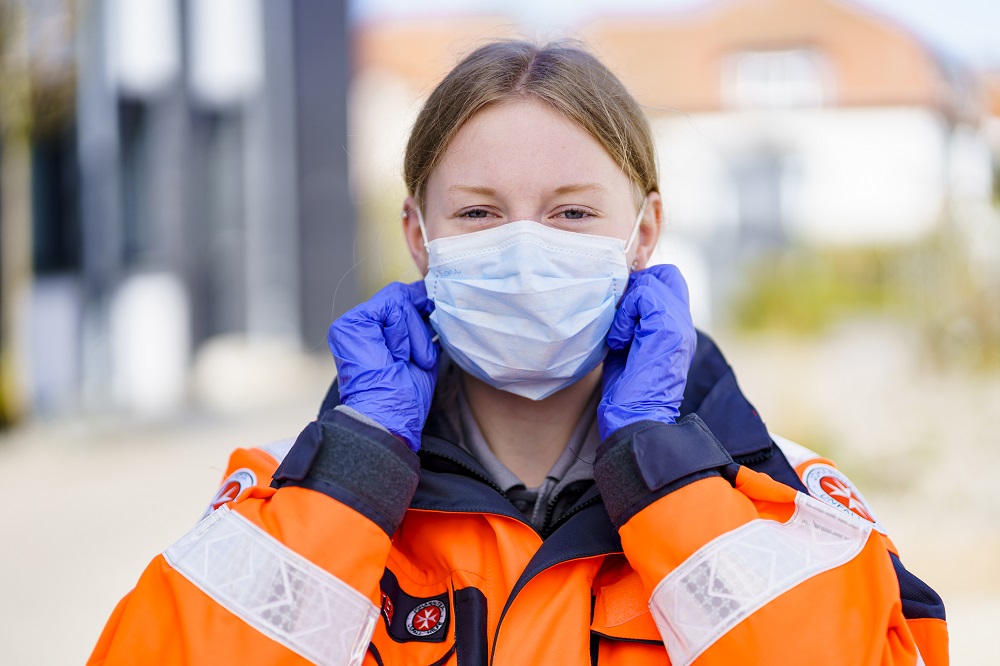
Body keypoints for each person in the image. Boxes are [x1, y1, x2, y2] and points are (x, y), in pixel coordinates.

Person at [89, 40, 948, 665]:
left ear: (643, 232)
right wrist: (348, 486)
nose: (526, 249)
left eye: (573, 213)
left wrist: (669, 483)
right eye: (478, 214)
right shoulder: (292, 506)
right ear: (418, 238)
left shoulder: (785, 505)